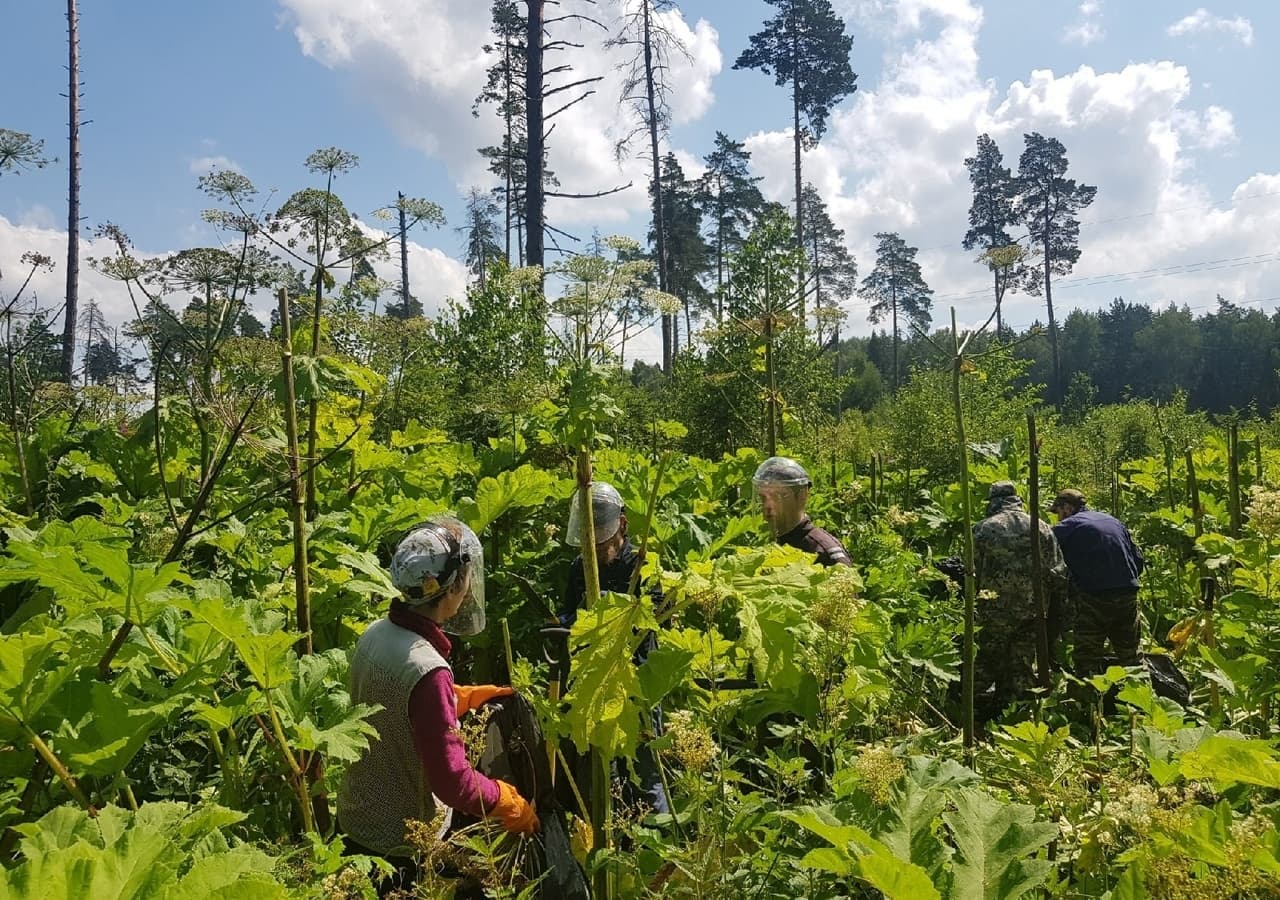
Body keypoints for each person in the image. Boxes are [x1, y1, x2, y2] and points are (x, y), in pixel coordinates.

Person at [338, 517, 538, 885]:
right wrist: (503, 801)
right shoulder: (428, 670)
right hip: (398, 846)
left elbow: (390, 703)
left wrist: (455, 698)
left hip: (355, 821)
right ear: (453, 586)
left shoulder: (377, 633)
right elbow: (451, 782)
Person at [556, 481, 669, 815]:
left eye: (603, 538)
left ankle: (656, 848)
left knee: (646, 773)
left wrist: (617, 609)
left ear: (621, 524)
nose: (597, 547)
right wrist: (562, 622)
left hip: (638, 684)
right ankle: (616, 839)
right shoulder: (581, 567)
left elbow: (657, 616)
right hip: (593, 682)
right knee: (604, 773)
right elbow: (569, 611)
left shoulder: (642, 565)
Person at [972, 481, 1067, 719]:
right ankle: (1013, 716)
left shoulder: (983, 529)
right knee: (1022, 666)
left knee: (985, 661)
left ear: (993, 502)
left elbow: (969, 570)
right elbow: (1058, 572)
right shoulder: (1042, 527)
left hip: (993, 610)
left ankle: (969, 712)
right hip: (1032, 610)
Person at [1050, 488, 1144, 676]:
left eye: (1058, 512)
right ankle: (1142, 699)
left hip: (1093, 596)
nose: (1059, 518)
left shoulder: (1067, 527)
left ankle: (1087, 701)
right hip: (1127, 593)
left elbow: (1046, 557)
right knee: (1131, 656)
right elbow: (1137, 559)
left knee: (1087, 657)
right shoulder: (1114, 521)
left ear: (1067, 508)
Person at [752, 456, 852, 567]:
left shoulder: (824, 553)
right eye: (763, 498)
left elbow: (847, 582)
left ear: (802, 496)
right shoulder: (771, 547)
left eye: (778, 496)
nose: (768, 505)